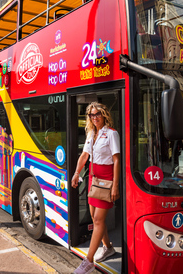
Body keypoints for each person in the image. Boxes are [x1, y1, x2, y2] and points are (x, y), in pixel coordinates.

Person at [71, 102, 120, 274]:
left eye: (97, 113)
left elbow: (116, 160)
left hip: (106, 179)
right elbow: (85, 155)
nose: (95, 117)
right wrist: (77, 173)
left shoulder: (112, 134)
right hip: (93, 177)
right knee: (94, 217)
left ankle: (88, 261)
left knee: (98, 220)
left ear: (104, 114)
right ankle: (108, 247)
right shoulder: (92, 133)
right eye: (92, 115)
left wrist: (115, 185)